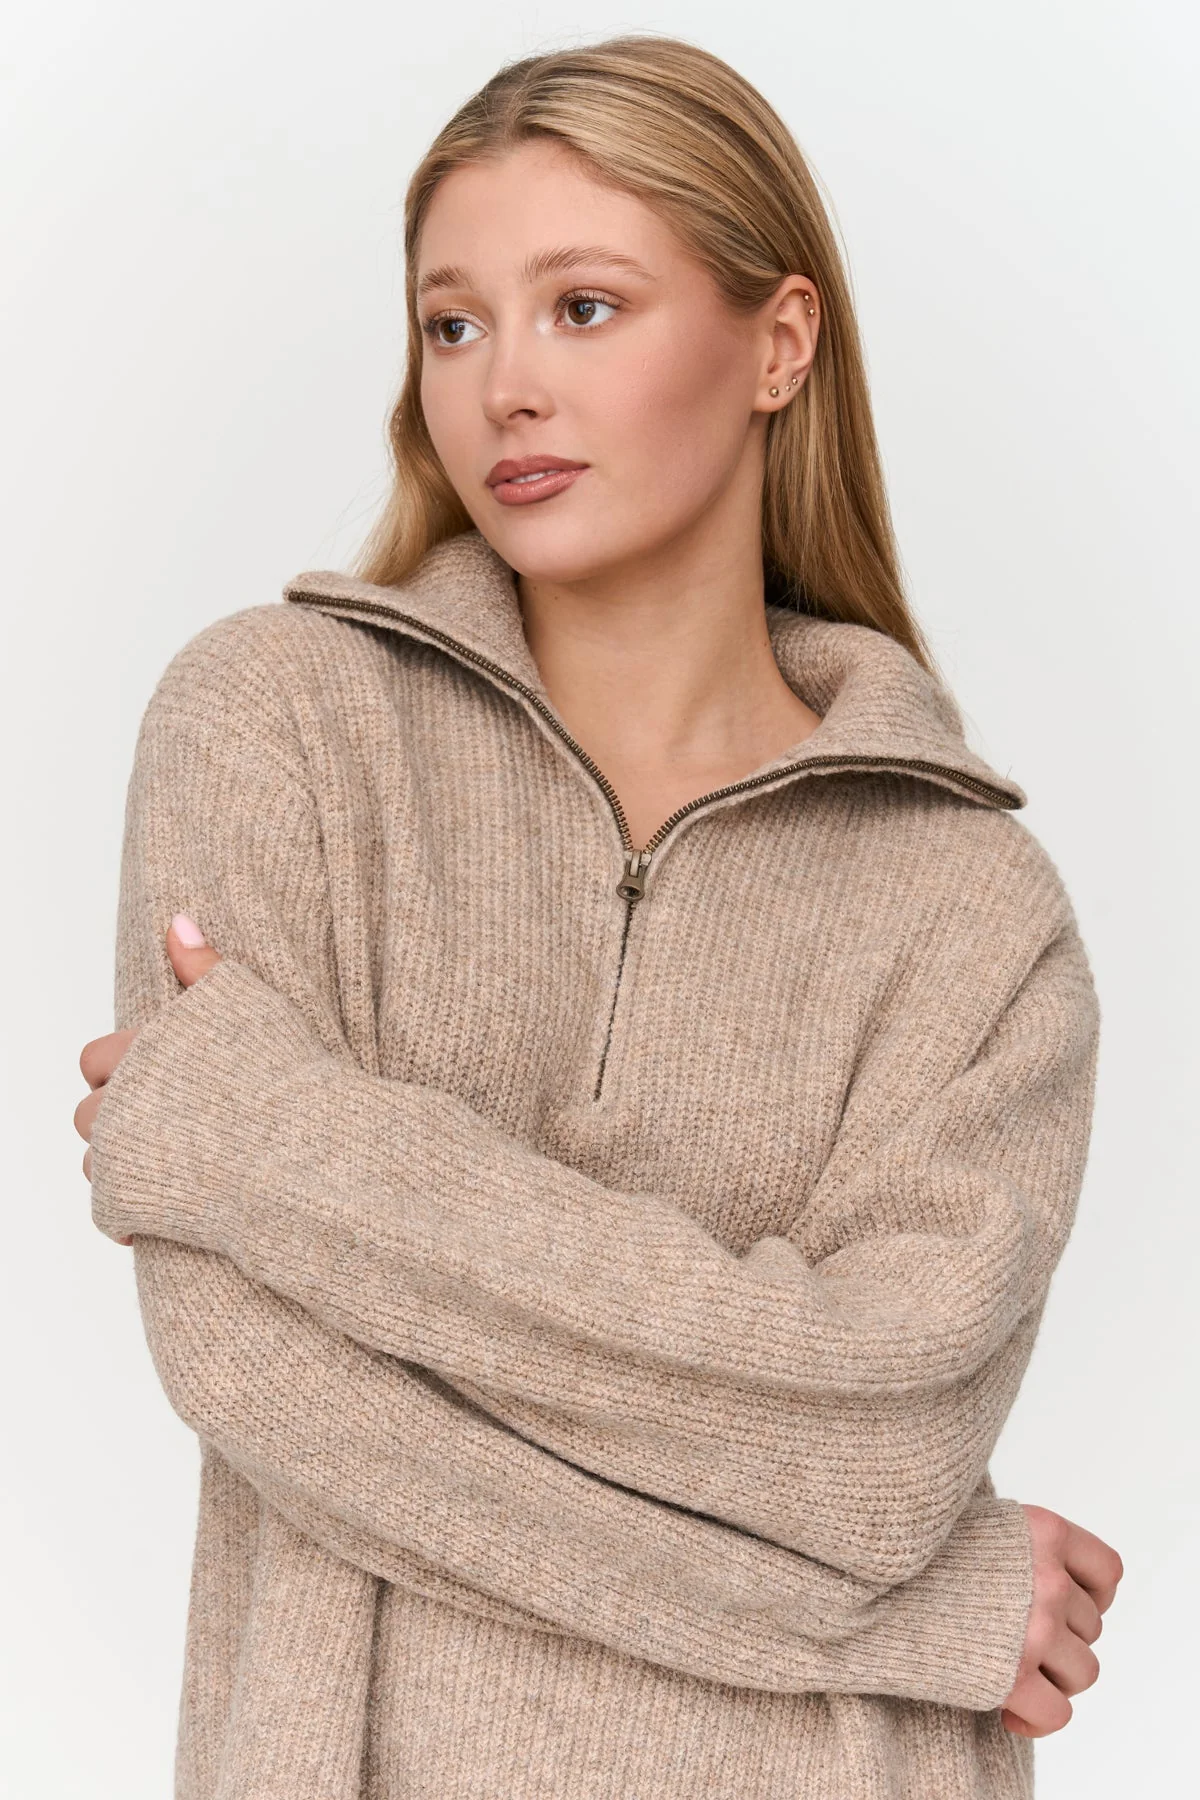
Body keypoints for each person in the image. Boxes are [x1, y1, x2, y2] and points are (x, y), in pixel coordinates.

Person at [74, 33, 1122, 1800]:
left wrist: (267, 1143)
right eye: (453, 324)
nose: (505, 390)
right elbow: (263, 1379)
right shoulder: (278, 726)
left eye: (584, 309)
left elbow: (873, 1459)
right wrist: (904, 1620)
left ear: (778, 343)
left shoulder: (969, 907)